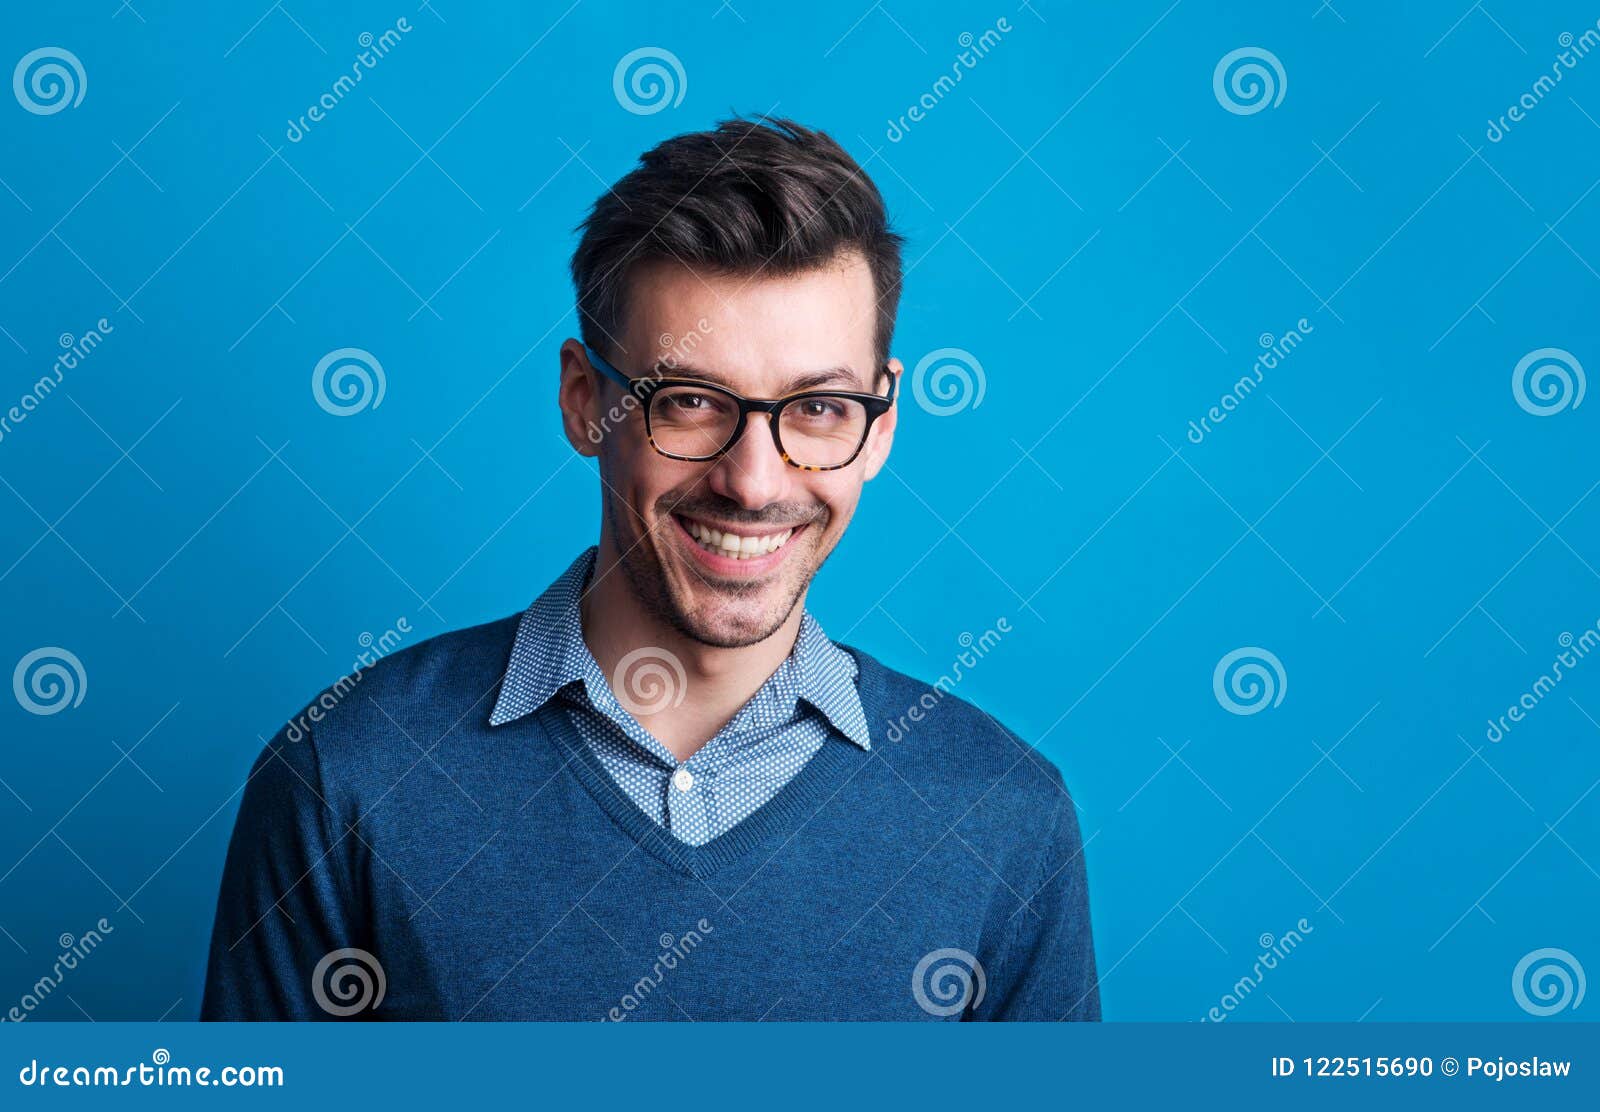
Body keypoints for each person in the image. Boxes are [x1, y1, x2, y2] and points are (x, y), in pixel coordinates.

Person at [201, 116, 1098, 1021]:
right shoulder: (347, 776)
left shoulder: (1002, 818)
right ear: (586, 403)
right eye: (692, 401)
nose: (753, 482)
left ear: (883, 424)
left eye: (820, 408)